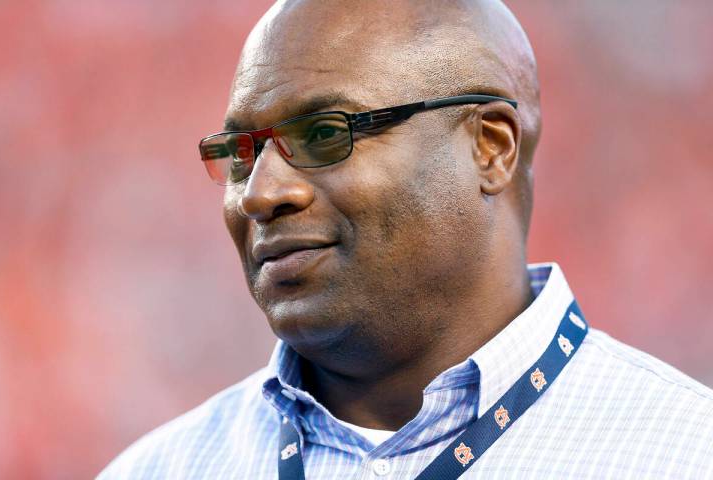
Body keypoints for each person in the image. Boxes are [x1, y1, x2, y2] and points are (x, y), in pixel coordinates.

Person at [98, 0, 713, 478]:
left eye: (323, 133)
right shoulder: (158, 470)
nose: (259, 194)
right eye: (239, 155)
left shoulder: (683, 453)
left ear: (491, 147)